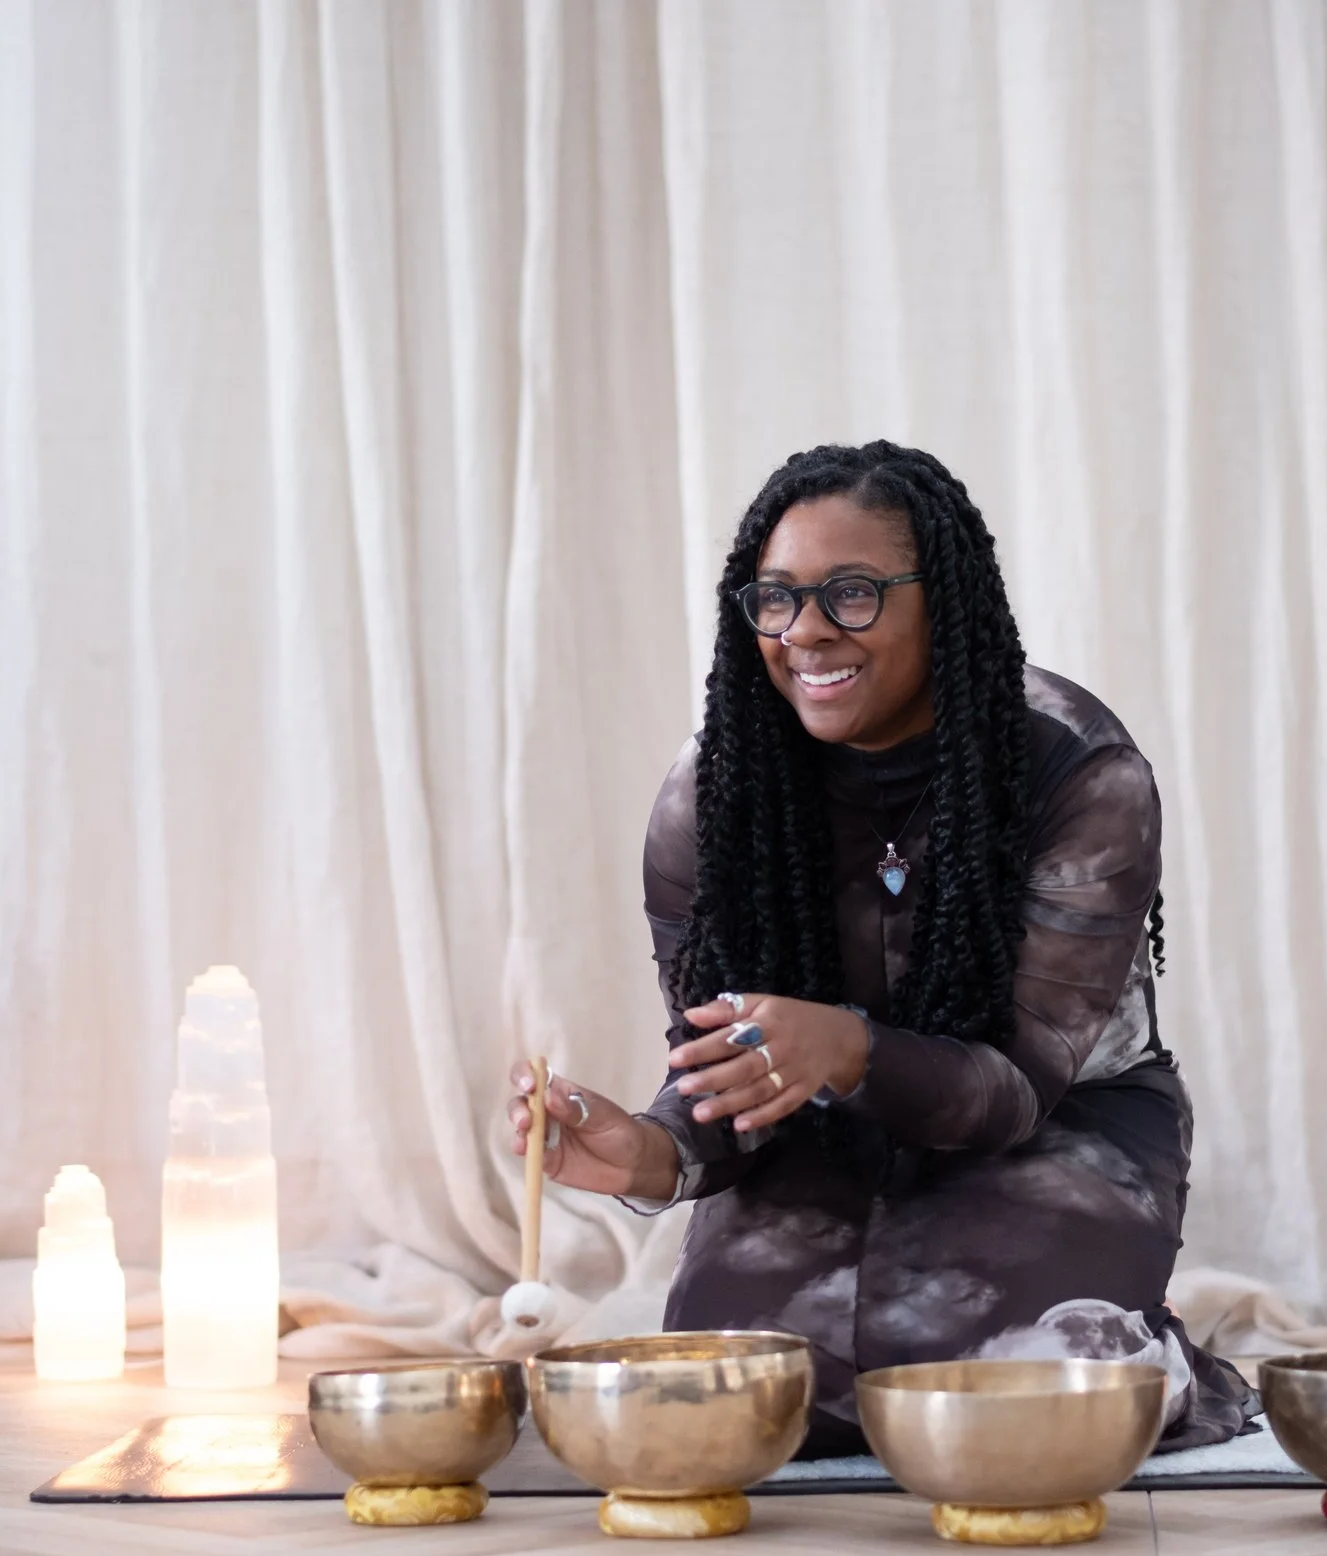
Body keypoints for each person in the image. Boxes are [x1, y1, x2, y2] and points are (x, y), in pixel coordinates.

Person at [505, 440, 1255, 1456]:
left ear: (937, 598)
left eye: (851, 593)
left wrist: (847, 1047)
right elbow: (732, 1075)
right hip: (815, 1146)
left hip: (1051, 1135)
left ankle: (1155, 1359)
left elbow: (1017, 1087)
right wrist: (648, 1151)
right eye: (773, 598)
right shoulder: (715, 794)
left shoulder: (1073, 767)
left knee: (1019, 1393)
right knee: (736, 1394)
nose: (805, 631)